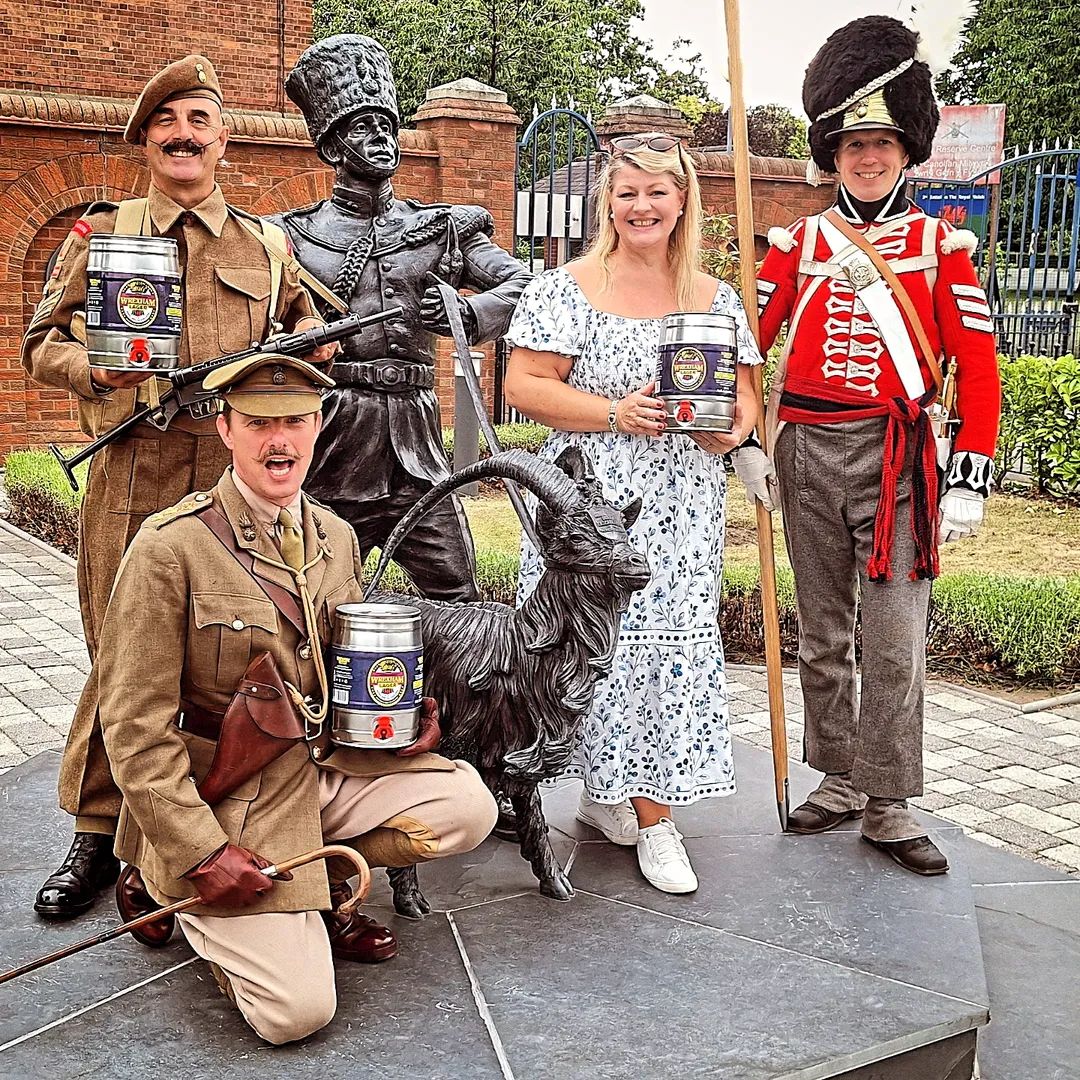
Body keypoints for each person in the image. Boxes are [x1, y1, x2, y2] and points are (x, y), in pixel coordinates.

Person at [92, 353, 497, 1044]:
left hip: (313, 769)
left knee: (466, 808)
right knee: (295, 1016)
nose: (279, 440)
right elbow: (132, 726)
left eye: (296, 421)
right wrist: (198, 852)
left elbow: (334, 667)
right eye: (259, 423)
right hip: (225, 792)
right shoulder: (170, 548)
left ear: (317, 426)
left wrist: (393, 728)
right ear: (225, 428)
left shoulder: (334, 537)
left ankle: (316, 886)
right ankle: (172, 887)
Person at [21, 54, 335, 921]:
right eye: (167, 123)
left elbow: (312, 328)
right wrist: (100, 369)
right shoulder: (104, 232)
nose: (184, 135)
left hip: (235, 474)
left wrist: (309, 352)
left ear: (223, 139)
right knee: (127, 657)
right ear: (146, 142)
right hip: (135, 470)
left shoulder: (267, 246)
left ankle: (174, 836)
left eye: (199, 120)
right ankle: (97, 831)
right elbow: (38, 343)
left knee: (226, 655)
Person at [754, 15, 1001, 875]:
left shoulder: (944, 248)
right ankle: (837, 777)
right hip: (808, 453)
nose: (867, 158)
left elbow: (976, 365)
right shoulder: (800, 244)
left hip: (900, 460)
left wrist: (969, 467)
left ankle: (890, 798)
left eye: (883, 143)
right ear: (833, 152)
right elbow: (749, 341)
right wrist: (743, 431)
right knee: (822, 632)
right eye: (853, 143)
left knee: (892, 637)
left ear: (907, 151)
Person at [502, 134, 763, 894]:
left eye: (657, 191)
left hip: (683, 508)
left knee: (660, 650)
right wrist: (615, 411)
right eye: (627, 193)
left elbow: (746, 400)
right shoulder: (564, 288)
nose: (642, 206)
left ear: (683, 200)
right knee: (589, 648)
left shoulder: (716, 298)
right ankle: (604, 798)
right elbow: (524, 385)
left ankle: (655, 819)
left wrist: (731, 427)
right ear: (607, 204)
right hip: (590, 506)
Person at [269, 35, 532, 602]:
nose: (381, 139)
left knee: (457, 592)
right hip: (332, 441)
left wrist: (469, 310)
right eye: (362, 127)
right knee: (305, 597)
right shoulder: (288, 237)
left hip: (415, 446)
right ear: (333, 147)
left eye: (387, 126)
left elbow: (529, 286)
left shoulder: (442, 228)